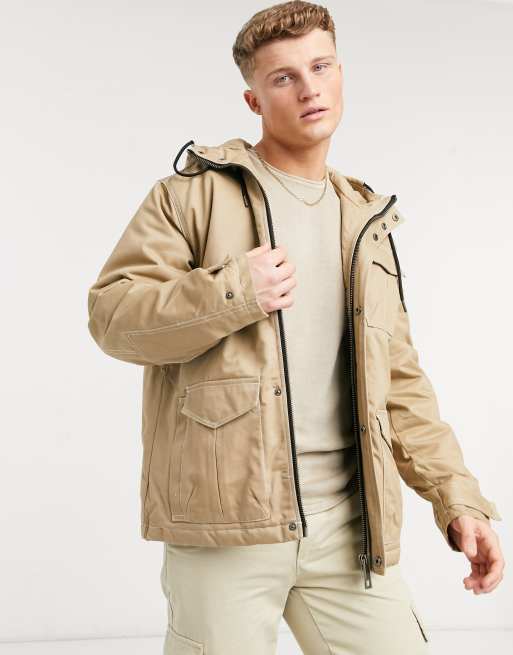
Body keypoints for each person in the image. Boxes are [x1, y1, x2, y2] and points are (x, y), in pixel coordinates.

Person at [87, 2, 504, 653]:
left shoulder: (363, 218)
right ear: (253, 100)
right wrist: (232, 292)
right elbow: (112, 316)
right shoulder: (191, 194)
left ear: (341, 73)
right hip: (226, 526)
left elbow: (398, 381)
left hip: (349, 528)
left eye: (321, 67)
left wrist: (457, 497)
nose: (309, 88)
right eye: (284, 77)